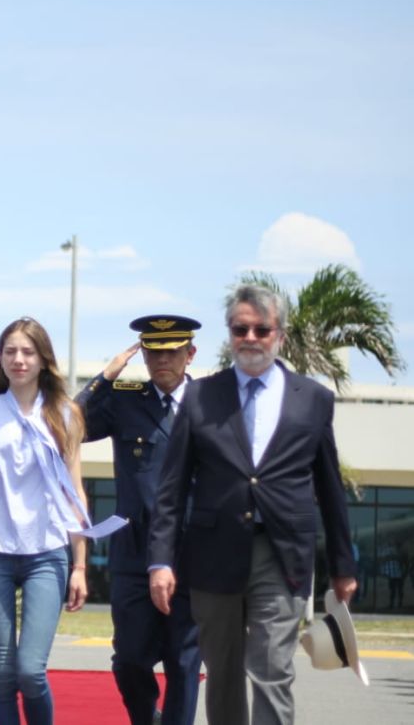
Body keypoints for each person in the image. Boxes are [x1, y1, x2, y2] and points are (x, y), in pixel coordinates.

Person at [148, 284, 358, 725]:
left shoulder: (313, 399)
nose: (250, 337)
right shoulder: (200, 397)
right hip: (212, 554)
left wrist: (343, 566)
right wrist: (161, 561)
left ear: (279, 335)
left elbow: (330, 487)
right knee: (222, 675)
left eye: (261, 329)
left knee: (272, 672)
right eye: (241, 328)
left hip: (282, 555)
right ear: (230, 333)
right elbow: (172, 486)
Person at [0, 317, 89, 725]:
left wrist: (80, 565)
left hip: (46, 553)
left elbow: (75, 493)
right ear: (0, 359)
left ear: (43, 360)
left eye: (28, 352)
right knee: (1, 675)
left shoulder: (65, 414)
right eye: (10, 351)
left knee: (30, 671)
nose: (19, 359)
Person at [76, 315, 202, 725]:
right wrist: (104, 377)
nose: (161, 359)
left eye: (171, 351)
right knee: (129, 659)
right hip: (135, 553)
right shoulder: (125, 398)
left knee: (184, 664)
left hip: (192, 551)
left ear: (190, 354)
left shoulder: (213, 405)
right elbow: (66, 426)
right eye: (153, 351)